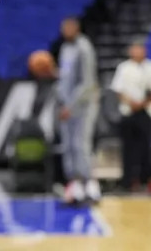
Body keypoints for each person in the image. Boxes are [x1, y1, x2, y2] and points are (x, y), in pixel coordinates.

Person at [110, 40, 151, 192]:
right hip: (128, 111)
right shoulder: (124, 68)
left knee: (145, 148)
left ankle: (144, 180)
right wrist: (131, 103)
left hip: (145, 111)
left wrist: (143, 103)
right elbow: (118, 90)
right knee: (128, 147)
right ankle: (127, 181)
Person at [55, 17, 101, 204]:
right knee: (68, 145)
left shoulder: (84, 47)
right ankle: (74, 186)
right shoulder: (65, 49)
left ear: (77, 28)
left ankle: (90, 184)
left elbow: (87, 82)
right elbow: (65, 77)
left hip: (83, 105)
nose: (66, 30)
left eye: (69, 26)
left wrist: (71, 106)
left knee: (81, 144)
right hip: (66, 106)